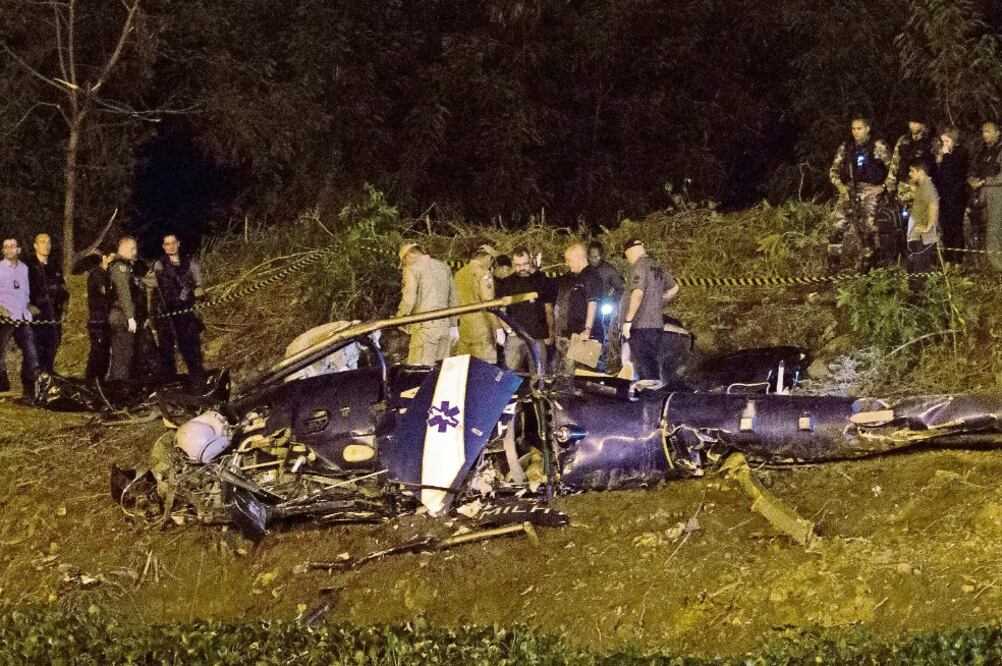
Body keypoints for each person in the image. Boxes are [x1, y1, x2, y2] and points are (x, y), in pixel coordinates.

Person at [828, 117, 891, 271]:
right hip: (849, 190)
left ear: (867, 128)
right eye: (853, 128)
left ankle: (869, 265)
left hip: (869, 190)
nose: (855, 132)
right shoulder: (846, 147)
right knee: (836, 228)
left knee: (867, 229)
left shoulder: (878, 146)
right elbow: (833, 171)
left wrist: (882, 187)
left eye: (859, 128)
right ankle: (832, 267)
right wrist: (841, 187)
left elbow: (893, 169)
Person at [620, 239, 679, 382]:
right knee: (652, 364)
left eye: (627, 256)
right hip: (656, 325)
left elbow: (638, 294)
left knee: (643, 367)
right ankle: (653, 394)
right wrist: (657, 300)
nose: (628, 260)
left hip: (640, 325)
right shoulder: (657, 266)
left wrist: (628, 321)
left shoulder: (639, 266)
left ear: (630, 251)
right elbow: (674, 288)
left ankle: (649, 399)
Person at [151, 234, 205, 386]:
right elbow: (154, 293)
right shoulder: (159, 266)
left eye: (173, 243)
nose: (171, 246)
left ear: (178, 243)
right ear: (163, 247)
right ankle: (170, 387)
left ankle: (199, 384)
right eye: (167, 244)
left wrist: (198, 291)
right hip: (166, 317)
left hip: (186, 315)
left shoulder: (191, 264)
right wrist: (154, 317)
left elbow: (199, 286)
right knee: (166, 354)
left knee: (192, 351)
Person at [395, 242, 458, 366]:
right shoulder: (444, 267)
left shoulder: (411, 269)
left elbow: (409, 299)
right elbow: (454, 298)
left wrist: (400, 318)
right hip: (445, 327)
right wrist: (454, 325)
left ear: (409, 255)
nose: (404, 264)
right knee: (439, 374)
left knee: (420, 374)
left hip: (424, 328)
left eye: (404, 260)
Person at [495, 246, 555, 373]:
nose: (521, 268)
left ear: (531, 260)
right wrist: (508, 329)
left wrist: (550, 332)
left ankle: (538, 392)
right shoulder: (506, 283)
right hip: (515, 337)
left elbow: (548, 308)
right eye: (517, 265)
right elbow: (500, 311)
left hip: (537, 337)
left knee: (539, 375)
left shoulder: (542, 280)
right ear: (512, 263)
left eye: (525, 264)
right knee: (509, 374)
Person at [0, 236, 42, 401]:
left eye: (12, 246)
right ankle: (2, 386)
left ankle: (31, 389)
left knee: (31, 350)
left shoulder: (24, 269)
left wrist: (29, 306)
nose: (9, 249)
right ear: (3, 250)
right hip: (4, 319)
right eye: (6, 247)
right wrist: (1, 309)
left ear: (18, 249)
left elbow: (24, 292)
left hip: (22, 317)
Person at [553, 243, 602, 374]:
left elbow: (593, 303)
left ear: (580, 258)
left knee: (583, 374)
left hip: (586, 336)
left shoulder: (591, 276)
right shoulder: (574, 277)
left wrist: (587, 329)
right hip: (573, 335)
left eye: (569, 259)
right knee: (569, 373)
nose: (567, 263)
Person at [24, 233, 69, 374]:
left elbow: (62, 288)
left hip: (54, 315)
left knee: (51, 347)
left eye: (49, 242)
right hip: (36, 317)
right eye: (42, 242)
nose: (46, 245)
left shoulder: (54, 266)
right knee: (33, 352)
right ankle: (30, 390)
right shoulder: (27, 267)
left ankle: (47, 380)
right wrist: (28, 306)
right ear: (35, 246)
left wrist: (64, 305)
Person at [107, 236, 147, 384]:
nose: (135, 251)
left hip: (122, 314)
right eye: (132, 248)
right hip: (121, 315)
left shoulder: (125, 266)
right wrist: (130, 317)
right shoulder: (120, 267)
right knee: (122, 355)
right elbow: (124, 292)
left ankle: (120, 386)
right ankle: (118, 390)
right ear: (123, 248)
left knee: (125, 353)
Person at [454, 245, 500, 363]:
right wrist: (498, 328)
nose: (491, 264)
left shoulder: (459, 274)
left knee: (466, 370)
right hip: (482, 332)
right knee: (484, 371)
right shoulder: (484, 274)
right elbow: (488, 303)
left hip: (464, 330)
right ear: (488, 257)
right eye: (492, 260)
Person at [968, 121, 1002, 268]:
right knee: (981, 227)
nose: (984, 134)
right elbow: (972, 169)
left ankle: (997, 264)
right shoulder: (982, 151)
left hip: (997, 192)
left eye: (988, 131)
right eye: (983, 131)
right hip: (980, 195)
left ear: (997, 132)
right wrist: (971, 180)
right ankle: (986, 262)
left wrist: (985, 181)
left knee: (994, 229)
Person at [586, 240, 624, 371]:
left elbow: (621, 289)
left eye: (597, 256)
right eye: (592, 256)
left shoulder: (609, 271)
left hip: (603, 309)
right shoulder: (585, 270)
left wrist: (613, 303)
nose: (594, 259)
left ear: (602, 256)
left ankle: (602, 366)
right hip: (587, 310)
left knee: (604, 338)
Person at [933, 127, 968, 263]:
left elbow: (953, 172)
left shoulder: (961, 153)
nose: (944, 144)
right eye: (942, 141)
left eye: (947, 141)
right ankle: (948, 260)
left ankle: (958, 261)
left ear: (954, 140)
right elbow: (939, 175)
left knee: (956, 227)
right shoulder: (941, 155)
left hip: (957, 197)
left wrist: (946, 155)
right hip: (944, 197)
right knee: (946, 228)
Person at [905, 160, 940, 289]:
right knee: (913, 264)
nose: (909, 174)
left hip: (923, 237)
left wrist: (929, 226)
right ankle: (914, 293)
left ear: (921, 172)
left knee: (920, 267)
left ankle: (919, 297)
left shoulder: (928, 187)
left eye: (912, 171)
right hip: (917, 233)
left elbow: (933, 206)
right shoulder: (922, 186)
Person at [886, 118, 936, 206]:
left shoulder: (931, 142)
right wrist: (891, 182)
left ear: (922, 125)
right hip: (904, 184)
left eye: (915, 123)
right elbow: (895, 161)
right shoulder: (903, 140)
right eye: (911, 123)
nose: (912, 126)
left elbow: (937, 164)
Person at [85, 249, 115, 384]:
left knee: (104, 352)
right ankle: (91, 381)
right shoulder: (97, 274)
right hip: (98, 319)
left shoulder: (106, 274)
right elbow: (104, 291)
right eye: (111, 259)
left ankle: (100, 381)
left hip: (105, 318)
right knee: (98, 351)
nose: (113, 262)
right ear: (104, 258)